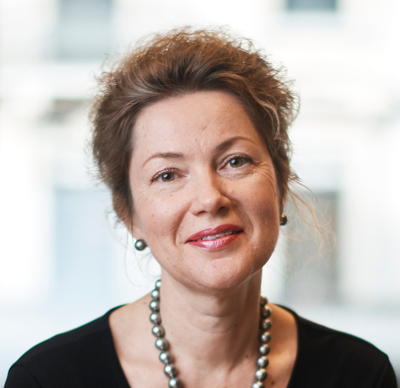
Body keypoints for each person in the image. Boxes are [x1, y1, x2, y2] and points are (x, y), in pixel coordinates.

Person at [5, 28, 397, 388]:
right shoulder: (47, 379)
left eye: (235, 161)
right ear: (129, 215)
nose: (210, 198)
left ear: (280, 184)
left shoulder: (360, 375)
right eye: (167, 175)